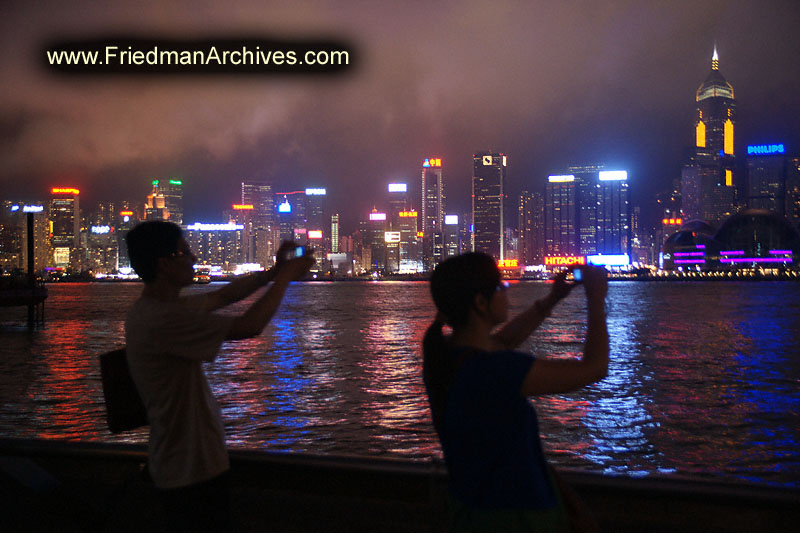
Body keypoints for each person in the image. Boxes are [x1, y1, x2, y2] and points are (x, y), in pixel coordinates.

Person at [124, 220, 313, 531]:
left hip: (181, 464)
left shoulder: (153, 310)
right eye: (184, 252)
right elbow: (249, 325)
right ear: (164, 263)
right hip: (190, 470)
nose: (194, 258)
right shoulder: (164, 319)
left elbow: (223, 297)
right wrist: (287, 280)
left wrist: (274, 272)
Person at [422, 252, 609, 532]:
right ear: (480, 303)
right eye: (501, 286)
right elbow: (595, 368)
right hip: (517, 519)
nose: (506, 291)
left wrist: (553, 298)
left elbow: (505, 340)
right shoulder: (495, 371)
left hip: (472, 514)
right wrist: (595, 299)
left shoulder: (447, 359)